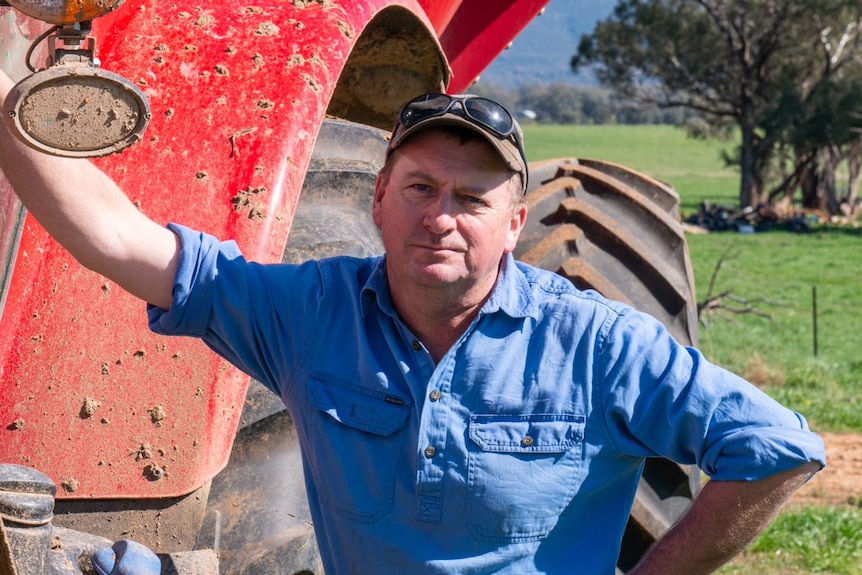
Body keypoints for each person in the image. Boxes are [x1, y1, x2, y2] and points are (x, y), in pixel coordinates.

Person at [0, 69, 825, 574]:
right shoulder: (312, 312)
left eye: (472, 199)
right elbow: (115, 237)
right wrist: (10, 102)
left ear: (515, 224)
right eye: (421, 188)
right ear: (379, 201)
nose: (443, 216)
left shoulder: (595, 344)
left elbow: (779, 449)